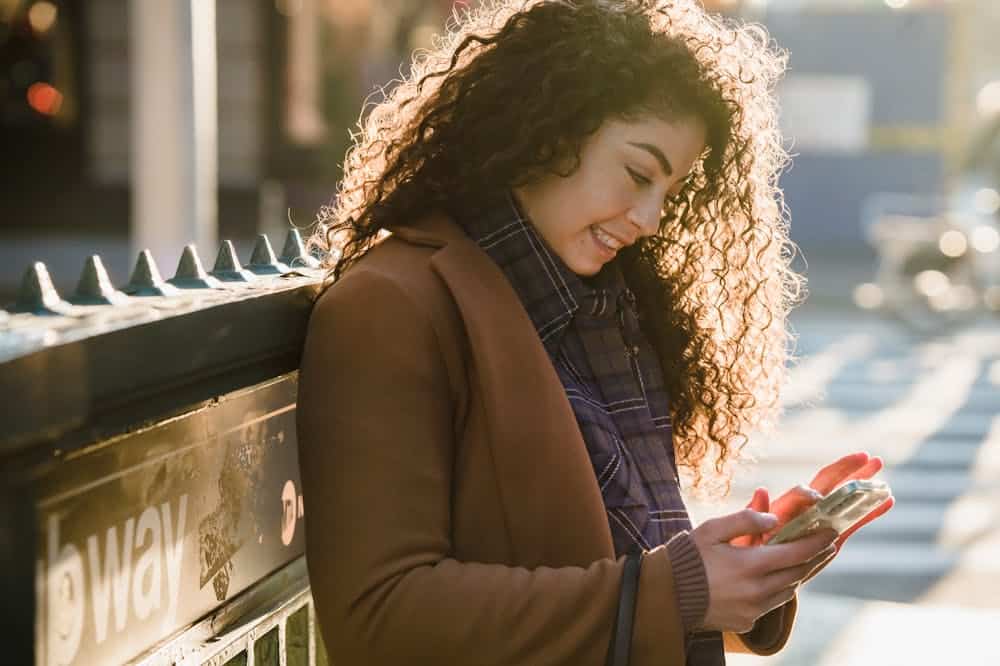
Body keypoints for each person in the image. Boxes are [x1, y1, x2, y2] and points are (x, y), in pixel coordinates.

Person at [295, 1, 894, 664]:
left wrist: (742, 573)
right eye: (638, 174)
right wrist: (678, 590)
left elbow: (612, 575)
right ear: (546, 130)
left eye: (669, 192)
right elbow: (380, 619)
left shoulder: (608, 313)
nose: (650, 218)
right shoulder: (393, 305)